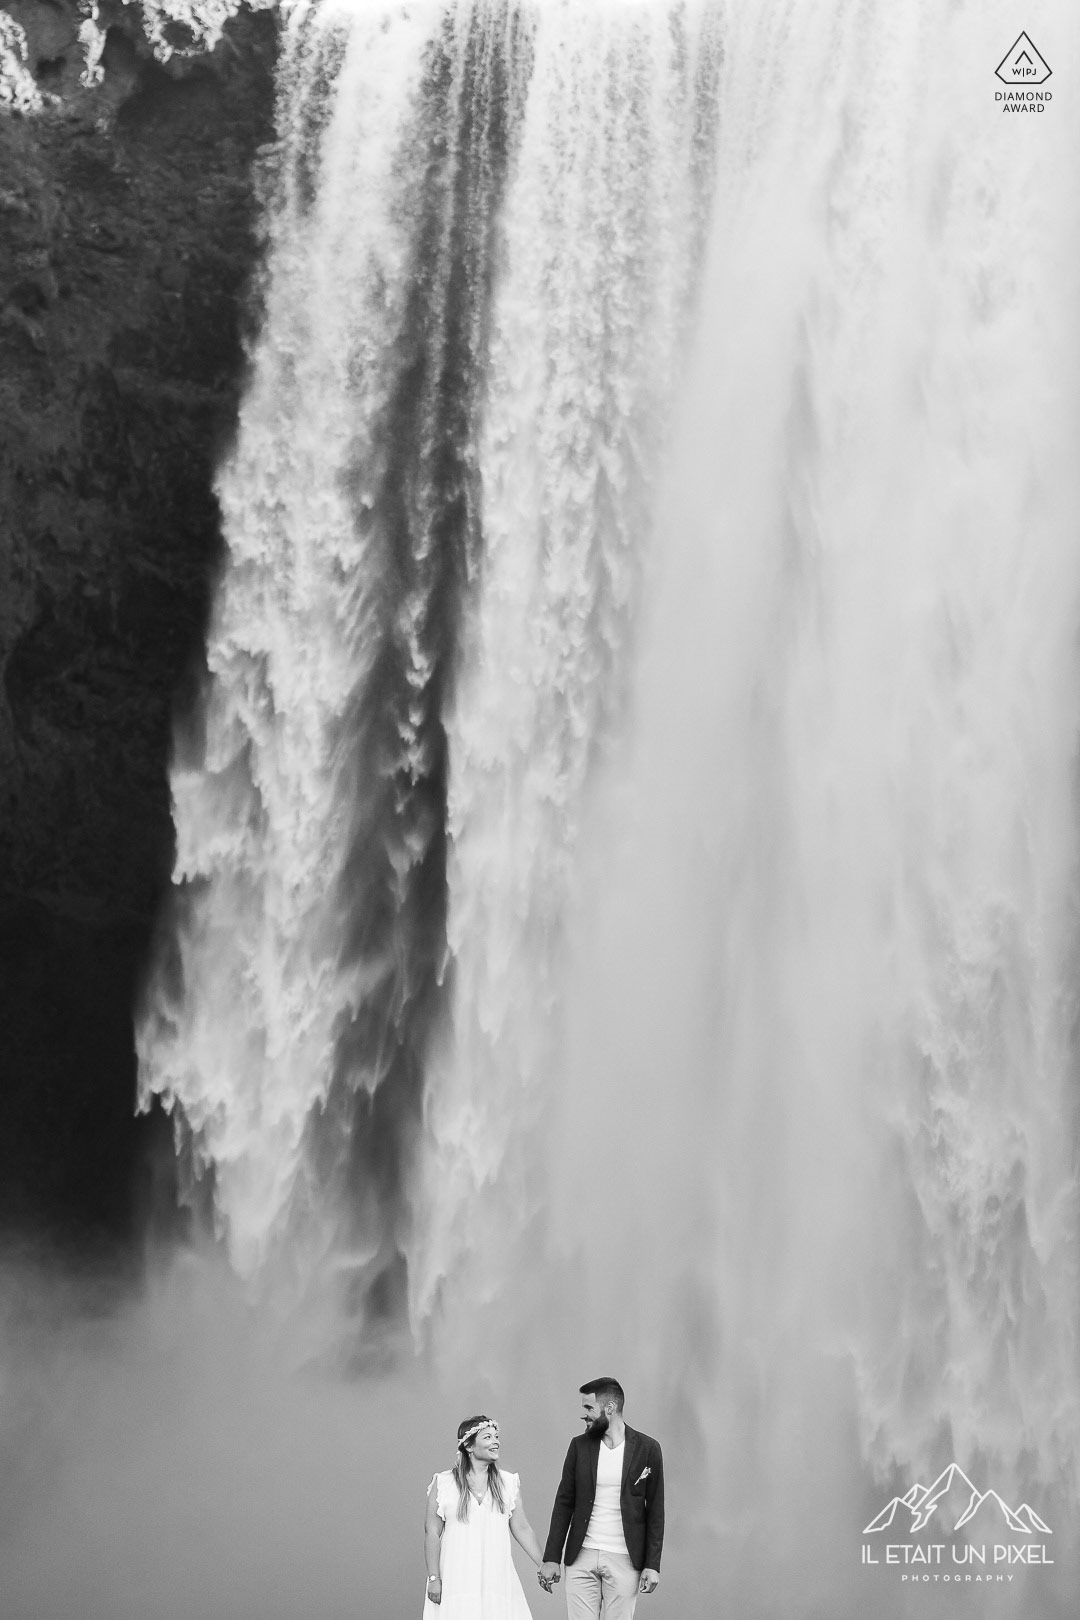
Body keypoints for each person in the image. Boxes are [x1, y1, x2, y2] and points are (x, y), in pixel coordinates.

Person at [538, 1378, 664, 1619]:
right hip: (581, 1555)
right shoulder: (579, 1446)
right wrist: (552, 1557)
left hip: (626, 1558)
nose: (583, 1415)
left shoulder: (648, 1449)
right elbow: (564, 1503)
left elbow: (656, 1511)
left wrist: (652, 1565)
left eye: (588, 1408)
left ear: (610, 1408)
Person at [424, 1414, 550, 1617]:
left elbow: (522, 1527)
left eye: (496, 1437)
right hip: (456, 1579)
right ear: (469, 1446)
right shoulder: (443, 1483)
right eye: (488, 1437)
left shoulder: (507, 1483)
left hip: (497, 1580)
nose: (496, 1442)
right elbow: (432, 1532)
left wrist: (543, 1563)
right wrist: (433, 1578)